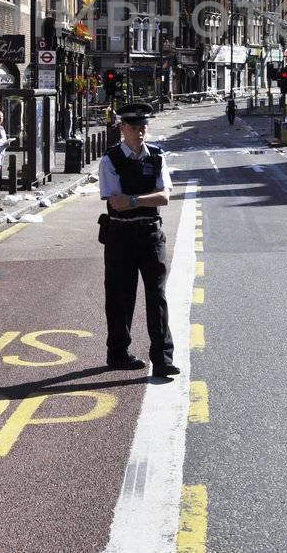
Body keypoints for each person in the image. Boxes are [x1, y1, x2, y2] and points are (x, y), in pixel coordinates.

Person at [98, 101, 179, 377]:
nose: (140, 132)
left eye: (143, 126)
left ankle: (163, 359)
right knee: (120, 297)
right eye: (134, 127)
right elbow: (115, 203)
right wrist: (143, 199)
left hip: (150, 233)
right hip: (120, 234)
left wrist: (133, 199)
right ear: (122, 128)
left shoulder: (156, 156)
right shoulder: (110, 160)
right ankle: (118, 353)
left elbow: (164, 197)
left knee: (157, 296)